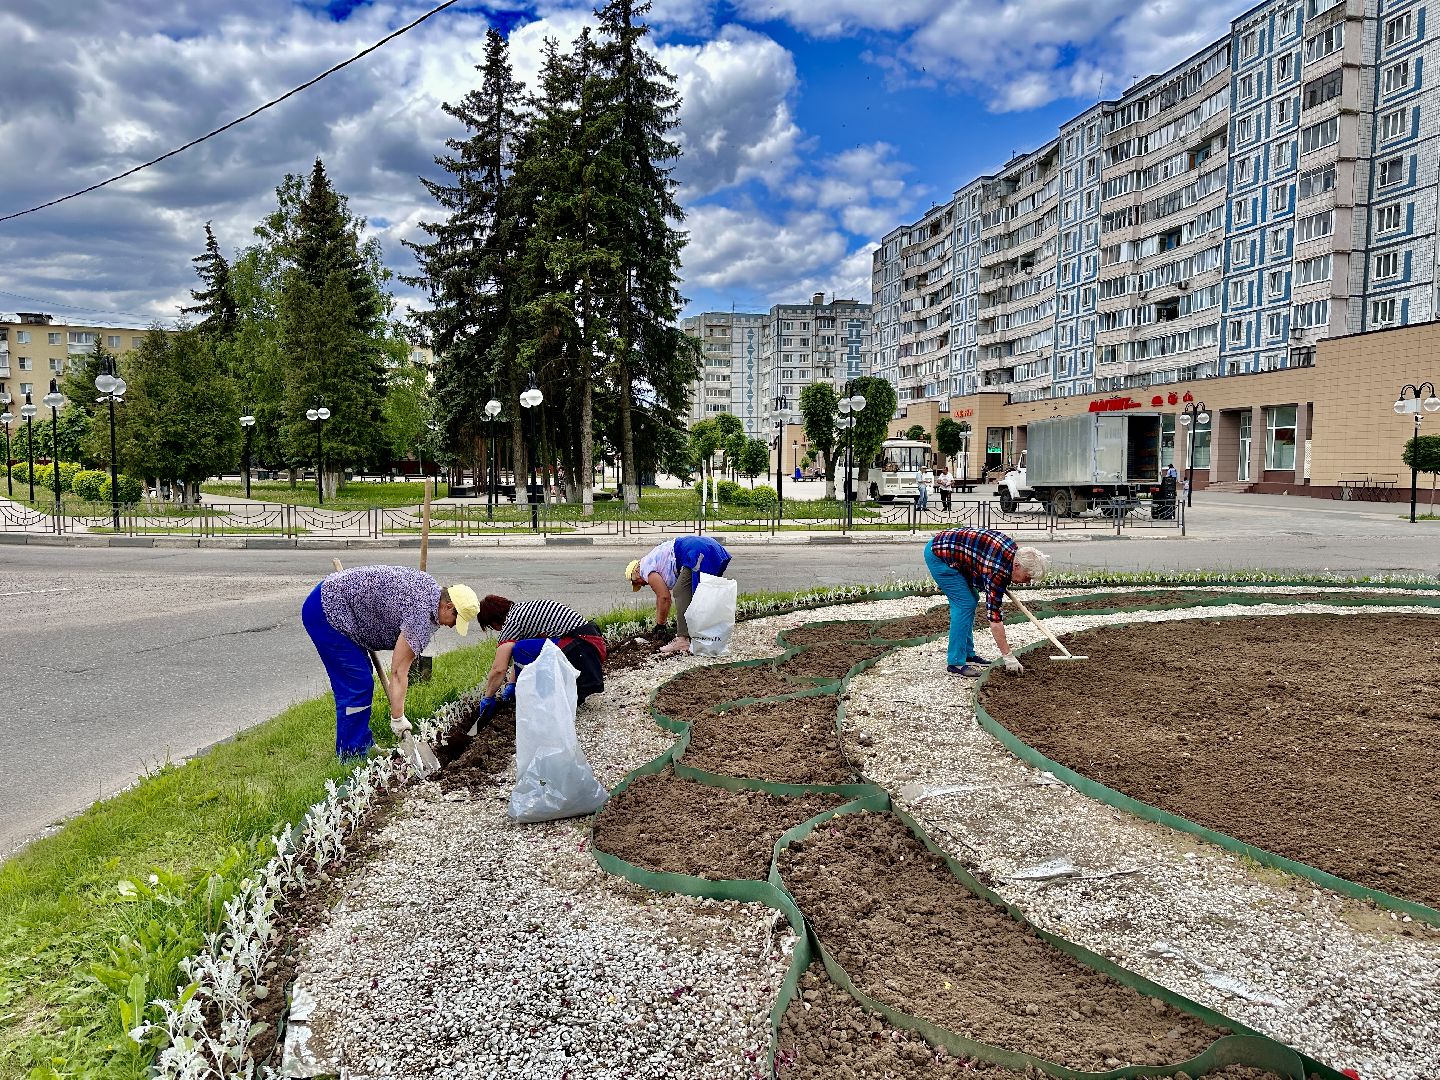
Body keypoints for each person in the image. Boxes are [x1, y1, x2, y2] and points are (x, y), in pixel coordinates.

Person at [301, 565, 479, 756]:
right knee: (356, 683)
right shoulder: (420, 618)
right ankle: (351, 753)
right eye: (455, 620)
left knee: (361, 677)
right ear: (448, 606)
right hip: (327, 612)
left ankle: (362, 743)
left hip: (339, 599)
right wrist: (398, 718)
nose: (452, 626)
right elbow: (398, 671)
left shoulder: (431, 590)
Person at [924, 527, 1049, 678]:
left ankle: (968, 654)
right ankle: (955, 662)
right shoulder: (996, 571)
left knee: (971, 599)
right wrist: (1008, 656)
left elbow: (981, 562)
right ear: (1017, 566)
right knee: (964, 604)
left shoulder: (1014, 555)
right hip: (939, 555)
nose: (1027, 582)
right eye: (1027, 577)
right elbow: (994, 619)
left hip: (954, 551)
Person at [472, 595, 607, 725]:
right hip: (587, 645)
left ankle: (536, 699)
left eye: (490, 627)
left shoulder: (511, 623)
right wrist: (512, 683)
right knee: (524, 647)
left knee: (520, 648)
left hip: (579, 647)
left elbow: (499, 669)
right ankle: (553, 695)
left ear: (493, 620)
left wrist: (488, 697)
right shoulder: (521, 612)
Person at [626, 536, 732, 656]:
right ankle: (708, 635)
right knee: (698, 593)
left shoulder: (645, 569)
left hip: (697, 550)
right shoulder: (653, 559)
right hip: (710, 546)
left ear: (636, 573)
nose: (643, 585)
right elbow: (662, 596)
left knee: (680, 591)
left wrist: (660, 626)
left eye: (638, 583)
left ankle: (682, 640)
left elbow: (664, 597)